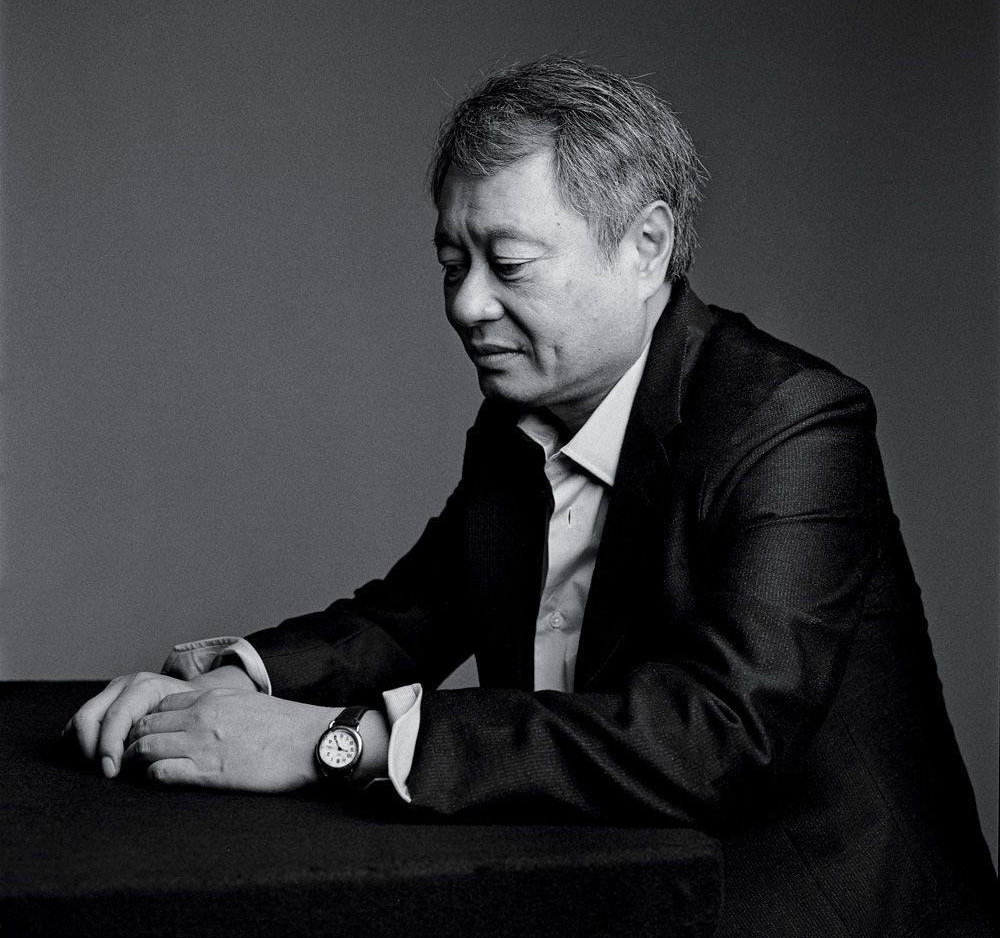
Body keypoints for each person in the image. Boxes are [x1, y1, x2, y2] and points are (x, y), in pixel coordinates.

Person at [65, 56, 996, 935]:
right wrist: (234, 683)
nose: (465, 305)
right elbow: (411, 616)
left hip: (803, 908)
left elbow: (720, 734)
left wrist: (334, 743)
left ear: (646, 248)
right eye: (451, 263)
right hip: (603, 887)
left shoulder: (795, 423)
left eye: (507, 265)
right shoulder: (518, 419)